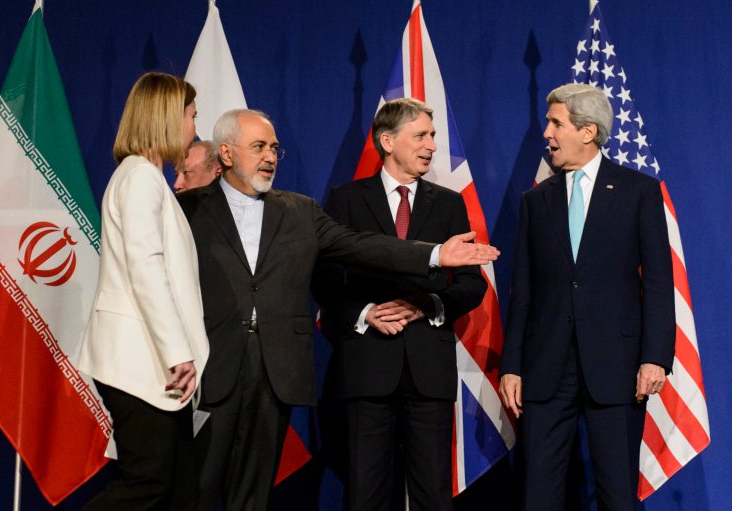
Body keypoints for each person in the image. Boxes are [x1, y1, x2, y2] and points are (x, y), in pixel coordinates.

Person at [177, 108, 499, 511]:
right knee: (194, 489)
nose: (270, 157)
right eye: (259, 147)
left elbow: (363, 246)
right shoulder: (184, 209)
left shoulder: (299, 210)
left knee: (253, 495)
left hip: (273, 374)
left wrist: (434, 254)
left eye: (275, 148)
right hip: (210, 369)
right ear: (225, 153)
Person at [499, 83, 675, 511]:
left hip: (615, 368)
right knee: (538, 494)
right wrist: (512, 366)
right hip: (545, 369)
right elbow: (524, 290)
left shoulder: (638, 191)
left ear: (588, 131)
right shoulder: (535, 201)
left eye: (556, 123)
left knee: (617, 494)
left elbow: (657, 281)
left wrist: (655, 357)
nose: (547, 133)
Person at [312, 98, 487, 510]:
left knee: (431, 493)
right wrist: (364, 313)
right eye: (421, 135)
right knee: (366, 491)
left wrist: (428, 304)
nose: (430, 145)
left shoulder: (447, 203)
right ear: (387, 141)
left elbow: (470, 285)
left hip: (428, 369)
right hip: (367, 364)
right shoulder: (347, 199)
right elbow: (323, 276)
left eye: (433, 136)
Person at [78, 72, 209, 510]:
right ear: (167, 118)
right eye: (191, 115)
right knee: (148, 483)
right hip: (141, 361)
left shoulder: (144, 177)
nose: (195, 126)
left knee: (175, 488)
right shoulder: (139, 177)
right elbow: (146, 267)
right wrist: (177, 351)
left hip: (152, 364)